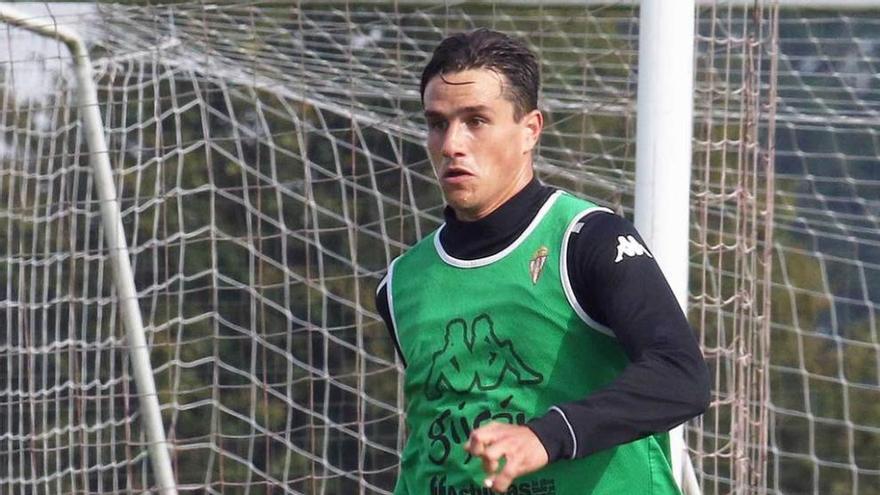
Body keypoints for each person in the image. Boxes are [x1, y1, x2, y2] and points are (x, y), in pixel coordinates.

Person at [375, 28, 710, 495]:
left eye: (475, 121)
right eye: (437, 123)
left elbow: (681, 376)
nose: (451, 143)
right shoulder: (401, 283)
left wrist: (546, 436)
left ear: (530, 129)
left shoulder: (588, 240)